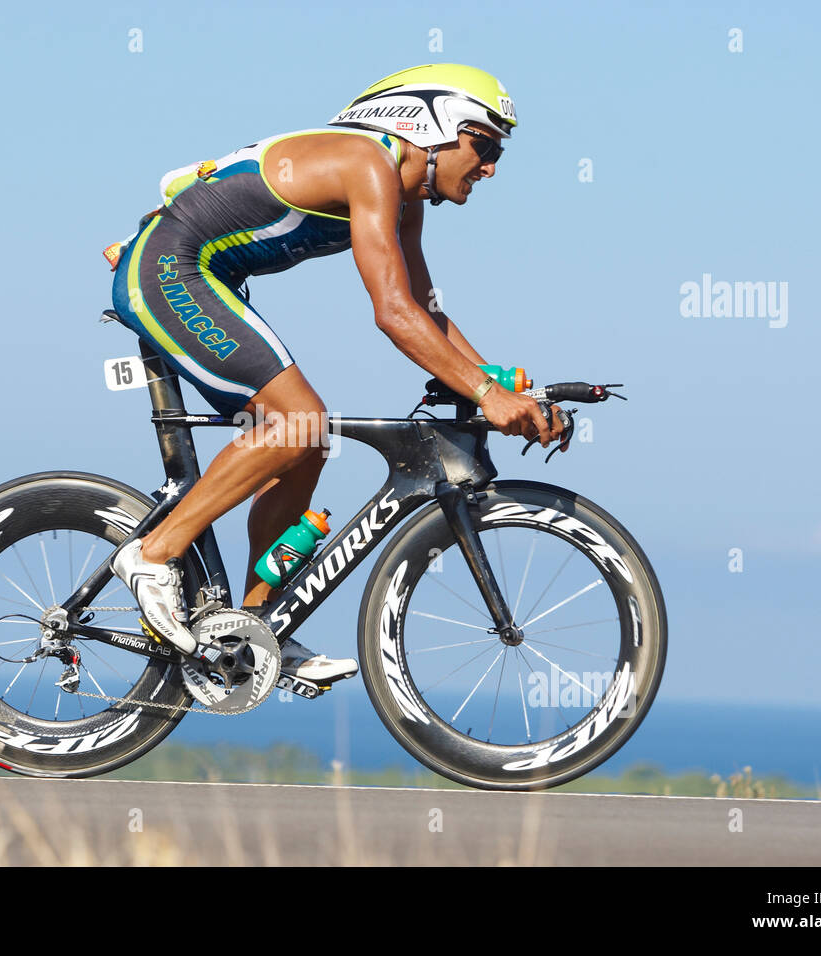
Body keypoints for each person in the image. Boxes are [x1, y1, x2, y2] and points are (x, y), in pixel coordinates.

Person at [107, 63, 563, 686]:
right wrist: (482, 391)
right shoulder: (365, 164)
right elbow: (392, 314)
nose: (491, 166)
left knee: (307, 445)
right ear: (428, 124)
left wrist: (494, 382)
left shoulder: (405, 198)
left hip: (203, 278)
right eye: (483, 143)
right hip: (168, 270)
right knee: (302, 422)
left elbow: (425, 310)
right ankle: (153, 554)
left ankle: (254, 629)